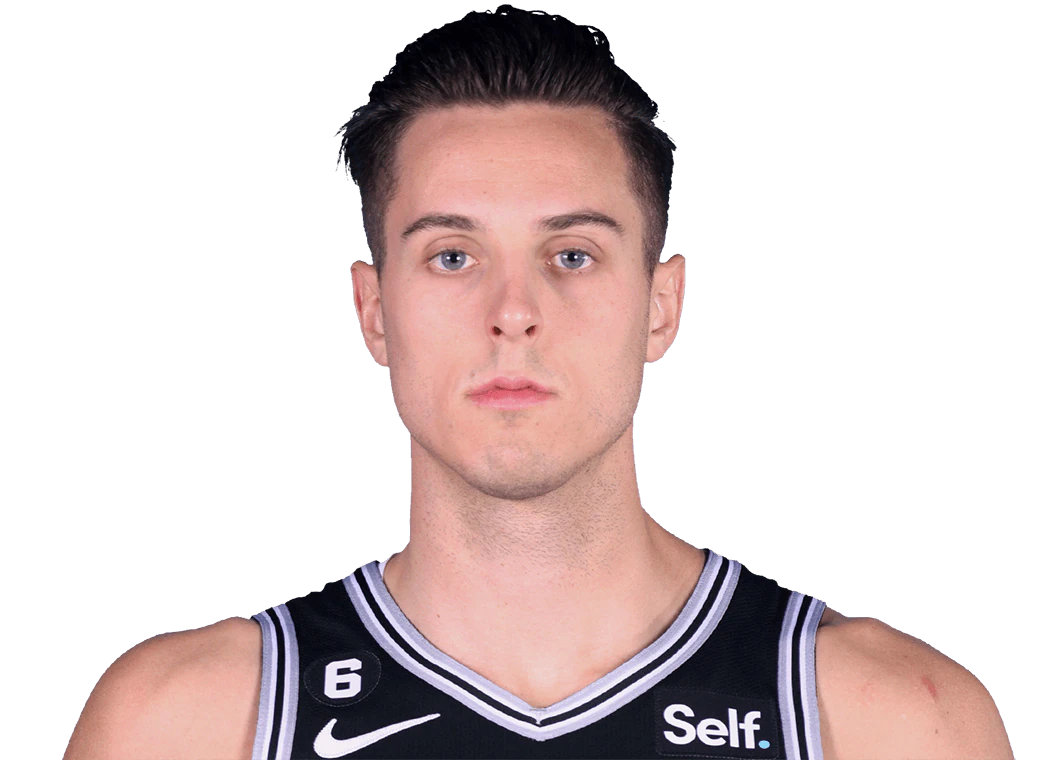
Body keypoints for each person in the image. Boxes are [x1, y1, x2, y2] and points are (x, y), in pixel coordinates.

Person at [66, 6, 1014, 759]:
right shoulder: (188, 727)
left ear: (663, 304)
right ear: (373, 310)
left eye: (571, 254)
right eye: (451, 256)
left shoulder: (887, 722)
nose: (513, 311)